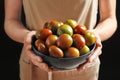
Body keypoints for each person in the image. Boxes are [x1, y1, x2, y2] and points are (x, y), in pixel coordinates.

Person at [4, 0, 117, 80]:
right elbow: (11, 20)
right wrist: (27, 36)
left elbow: (110, 18)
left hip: (84, 67)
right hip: (34, 65)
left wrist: (96, 35)